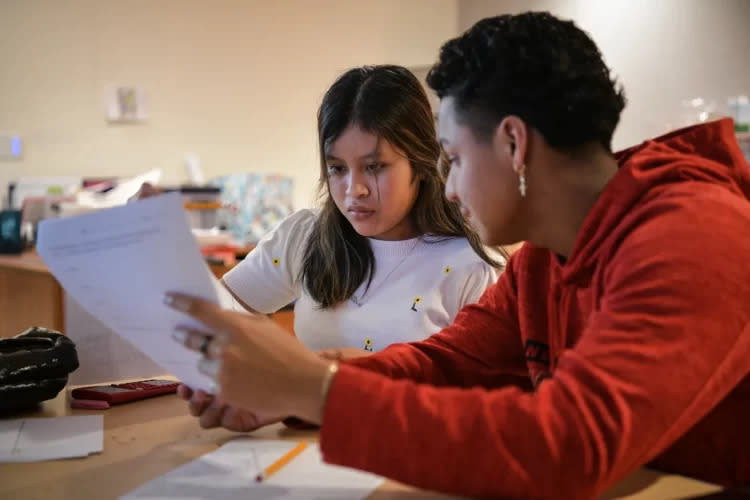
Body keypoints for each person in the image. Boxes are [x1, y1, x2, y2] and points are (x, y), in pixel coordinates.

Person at [166, 11, 750, 499]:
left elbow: (569, 444)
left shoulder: (693, 237)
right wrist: (297, 389)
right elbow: (443, 365)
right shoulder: (544, 259)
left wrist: (315, 391)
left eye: (454, 159)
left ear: (513, 144)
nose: (446, 187)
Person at [167, 65, 504, 430]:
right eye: (337, 168)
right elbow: (218, 312)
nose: (353, 190)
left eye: (374, 167)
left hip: (405, 449)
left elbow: (476, 401)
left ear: (421, 163)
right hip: (300, 448)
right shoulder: (306, 236)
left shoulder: (472, 266)